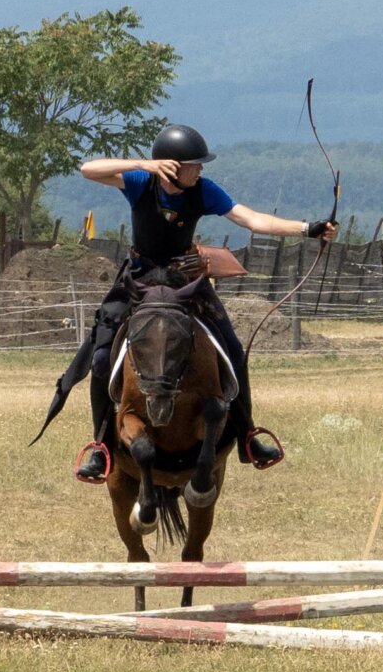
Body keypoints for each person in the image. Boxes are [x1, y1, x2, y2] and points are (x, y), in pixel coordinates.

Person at [64, 122, 336, 482]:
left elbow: (251, 219)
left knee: (232, 349)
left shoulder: (203, 190)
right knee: (100, 356)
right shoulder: (139, 183)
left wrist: (306, 228)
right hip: (139, 280)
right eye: (195, 163)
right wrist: (144, 165)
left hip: (184, 283)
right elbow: (87, 170)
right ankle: (101, 444)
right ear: (172, 166)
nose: (202, 169)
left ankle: (248, 435)